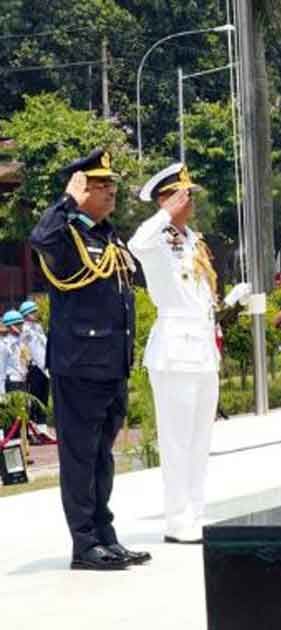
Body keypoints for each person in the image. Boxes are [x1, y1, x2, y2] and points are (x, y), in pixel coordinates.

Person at [30, 149, 149, 570]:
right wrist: (66, 202)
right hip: (78, 365)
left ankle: (105, 534)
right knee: (80, 458)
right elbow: (39, 238)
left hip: (110, 365)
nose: (111, 191)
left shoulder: (106, 236)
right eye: (101, 185)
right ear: (81, 188)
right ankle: (84, 544)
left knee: (102, 457)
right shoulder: (66, 236)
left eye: (112, 184)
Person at [129, 162, 251, 543]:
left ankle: (195, 513)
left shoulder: (193, 240)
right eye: (183, 194)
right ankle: (176, 519)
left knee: (200, 438)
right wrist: (164, 213)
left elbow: (201, 295)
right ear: (166, 199)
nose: (190, 200)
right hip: (175, 349)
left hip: (201, 348)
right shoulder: (155, 240)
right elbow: (134, 244)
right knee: (177, 439)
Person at [20, 300, 50, 428]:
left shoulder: (37, 327)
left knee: (43, 397)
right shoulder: (24, 330)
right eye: (33, 311)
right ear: (26, 314)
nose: (36, 313)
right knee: (34, 398)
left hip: (44, 367)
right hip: (33, 367)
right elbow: (24, 348)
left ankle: (42, 425)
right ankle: (33, 425)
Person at [2, 310, 28, 393]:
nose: (21, 326)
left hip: (23, 380)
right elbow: (1, 370)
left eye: (21, 323)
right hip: (11, 382)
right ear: (9, 326)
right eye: (17, 324)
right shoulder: (4, 345)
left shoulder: (22, 342)